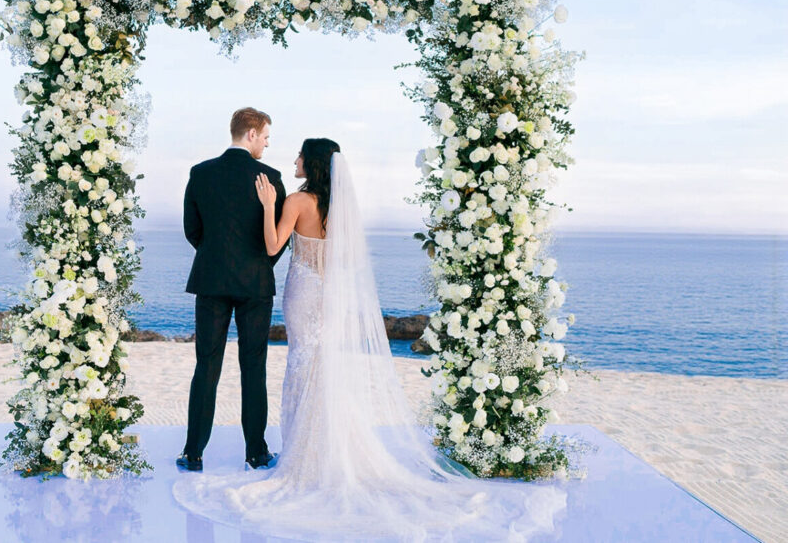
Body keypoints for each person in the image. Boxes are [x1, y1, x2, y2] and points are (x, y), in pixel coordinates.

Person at [172, 139, 568, 542]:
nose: (293, 160)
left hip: (296, 292)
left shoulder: (290, 199)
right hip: (328, 294)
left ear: (312, 163)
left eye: (299, 156)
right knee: (314, 366)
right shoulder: (341, 207)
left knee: (292, 366)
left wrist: (271, 206)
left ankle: (270, 455)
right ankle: (305, 450)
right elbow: (329, 257)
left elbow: (262, 242)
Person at [176, 107, 288, 473]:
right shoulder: (270, 177)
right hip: (255, 284)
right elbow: (277, 240)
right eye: (266, 137)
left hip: (211, 280)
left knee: (206, 365)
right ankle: (256, 453)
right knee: (253, 367)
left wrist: (216, 258)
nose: (267, 145)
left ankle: (193, 454)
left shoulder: (200, 173)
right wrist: (256, 264)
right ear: (252, 134)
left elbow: (192, 229)